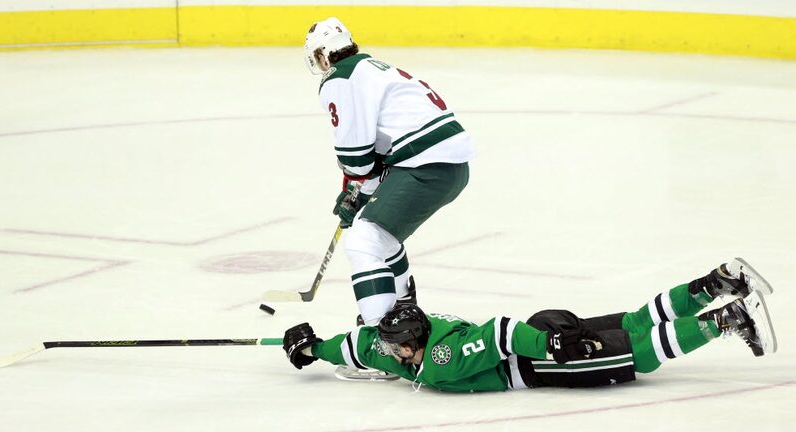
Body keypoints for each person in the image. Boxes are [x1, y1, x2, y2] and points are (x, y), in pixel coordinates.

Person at [282, 258, 776, 392]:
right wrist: (315, 347)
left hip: (537, 359)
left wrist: (550, 344)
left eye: (395, 350)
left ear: (413, 345)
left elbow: (500, 332)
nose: (388, 354)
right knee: (632, 320)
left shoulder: (437, 360)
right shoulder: (410, 335)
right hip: (540, 335)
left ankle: (728, 318)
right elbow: (360, 345)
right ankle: (716, 282)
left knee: (638, 352)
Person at [303, 17, 475, 330]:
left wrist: (357, 193)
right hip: (447, 163)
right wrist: (361, 193)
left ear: (324, 55)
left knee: (363, 240)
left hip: (426, 163)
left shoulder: (340, 77)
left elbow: (357, 159)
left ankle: (386, 341)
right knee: (382, 236)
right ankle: (404, 316)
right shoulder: (372, 67)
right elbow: (373, 159)